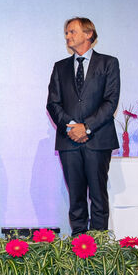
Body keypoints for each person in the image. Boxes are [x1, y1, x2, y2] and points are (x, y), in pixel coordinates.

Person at [46, 17, 120, 235]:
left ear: (89, 34)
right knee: (75, 197)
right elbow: (53, 103)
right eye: (66, 33)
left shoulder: (108, 63)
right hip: (69, 141)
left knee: (98, 196)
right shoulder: (60, 67)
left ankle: (98, 250)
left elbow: (111, 101)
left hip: (98, 140)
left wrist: (86, 127)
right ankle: (79, 247)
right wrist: (71, 126)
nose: (68, 36)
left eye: (72, 32)